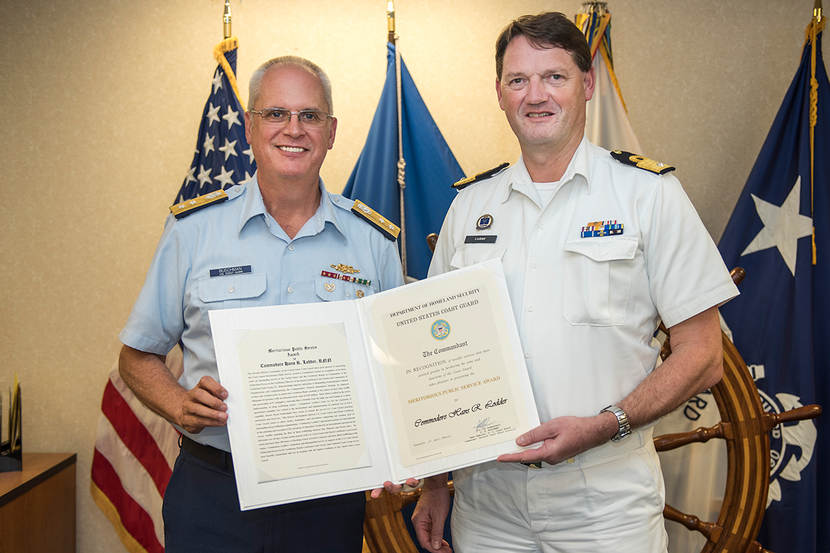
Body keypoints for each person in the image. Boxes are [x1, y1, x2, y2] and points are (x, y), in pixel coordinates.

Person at [410, 12, 739, 553]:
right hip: (486, 505)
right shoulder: (468, 207)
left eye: (554, 77)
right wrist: (433, 481)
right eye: (518, 80)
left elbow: (704, 357)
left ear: (586, 84)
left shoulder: (648, 194)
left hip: (605, 504)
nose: (535, 95)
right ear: (499, 93)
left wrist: (606, 424)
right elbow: (437, 356)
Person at [118, 56, 404, 553]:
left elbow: (397, 371)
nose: (294, 129)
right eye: (275, 114)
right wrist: (179, 404)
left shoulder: (373, 243)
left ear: (331, 132)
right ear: (250, 128)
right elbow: (137, 356)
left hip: (328, 496)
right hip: (214, 489)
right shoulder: (193, 232)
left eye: (310, 115)